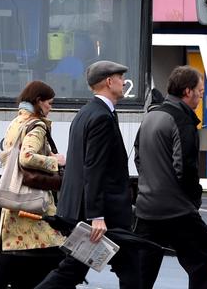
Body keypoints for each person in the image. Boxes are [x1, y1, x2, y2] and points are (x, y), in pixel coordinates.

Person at [34, 60, 140, 289]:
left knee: (126, 266)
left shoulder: (87, 113)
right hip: (101, 214)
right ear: (109, 82)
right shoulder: (101, 116)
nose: (124, 83)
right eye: (120, 78)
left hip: (90, 210)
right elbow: (94, 168)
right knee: (74, 270)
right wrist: (97, 216)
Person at [134, 66, 207, 289]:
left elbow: (138, 157)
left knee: (143, 273)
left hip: (147, 210)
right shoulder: (182, 120)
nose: (200, 95)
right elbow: (185, 168)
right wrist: (194, 198)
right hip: (177, 211)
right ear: (187, 91)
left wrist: (151, 183)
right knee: (202, 264)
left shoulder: (151, 115)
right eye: (199, 91)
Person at [0, 80, 66, 289]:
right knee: (57, 251)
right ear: (38, 101)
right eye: (50, 103)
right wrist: (54, 161)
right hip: (33, 199)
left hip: (15, 199)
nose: (51, 107)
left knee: (12, 259)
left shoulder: (16, 122)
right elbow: (26, 157)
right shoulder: (37, 125)